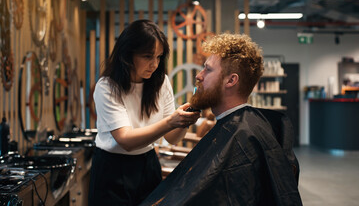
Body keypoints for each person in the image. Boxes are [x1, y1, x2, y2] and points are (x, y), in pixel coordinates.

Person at [140, 33, 302, 205]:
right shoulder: (247, 127)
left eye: (208, 69)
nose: (199, 76)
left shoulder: (242, 136)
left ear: (231, 80)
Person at [88, 19, 200, 206]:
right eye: (148, 56)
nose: (154, 64)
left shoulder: (161, 82)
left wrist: (183, 122)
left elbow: (172, 138)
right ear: (127, 54)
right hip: (112, 169)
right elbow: (125, 140)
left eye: (158, 57)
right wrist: (171, 122)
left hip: (148, 164)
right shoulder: (107, 87)